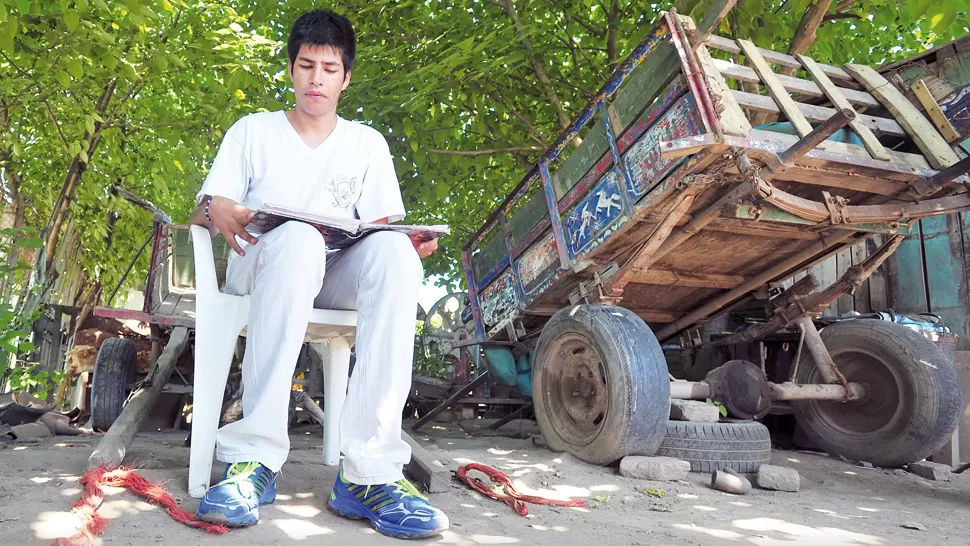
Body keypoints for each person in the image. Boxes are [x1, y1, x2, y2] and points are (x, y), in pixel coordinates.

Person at [188, 9, 449, 539]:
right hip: (263, 271)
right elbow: (204, 211)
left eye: (329, 68)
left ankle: (369, 475)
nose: (317, 79)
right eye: (307, 65)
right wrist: (213, 208)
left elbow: (378, 232)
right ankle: (252, 462)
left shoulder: (366, 144)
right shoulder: (253, 132)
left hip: (332, 275)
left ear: (346, 78)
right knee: (299, 240)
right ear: (291, 69)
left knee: (394, 257)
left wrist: (410, 245)